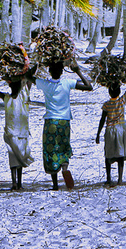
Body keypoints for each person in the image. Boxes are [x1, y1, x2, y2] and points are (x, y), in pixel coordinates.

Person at [34, 60, 92, 190]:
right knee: (63, 147)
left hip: (50, 122)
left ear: (49, 71)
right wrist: (77, 71)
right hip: (64, 122)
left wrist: (37, 65)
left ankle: (55, 184)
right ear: (62, 71)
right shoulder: (67, 83)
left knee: (51, 149)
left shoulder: (45, 84)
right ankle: (65, 169)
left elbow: (27, 76)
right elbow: (89, 86)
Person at [0, 76, 34, 190]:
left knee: (13, 157)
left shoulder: (6, 97)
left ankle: (14, 183)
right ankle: (19, 183)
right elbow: (29, 78)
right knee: (20, 156)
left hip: (10, 132)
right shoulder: (24, 96)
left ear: (10, 86)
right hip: (22, 132)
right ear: (20, 86)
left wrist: (0, 79)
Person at [95, 78, 126, 186]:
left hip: (110, 131)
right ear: (119, 92)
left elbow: (102, 120)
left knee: (108, 154)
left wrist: (98, 134)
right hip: (121, 129)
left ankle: (108, 179)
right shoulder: (122, 101)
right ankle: (120, 179)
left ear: (109, 92)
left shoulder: (106, 105)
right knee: (120, 155)